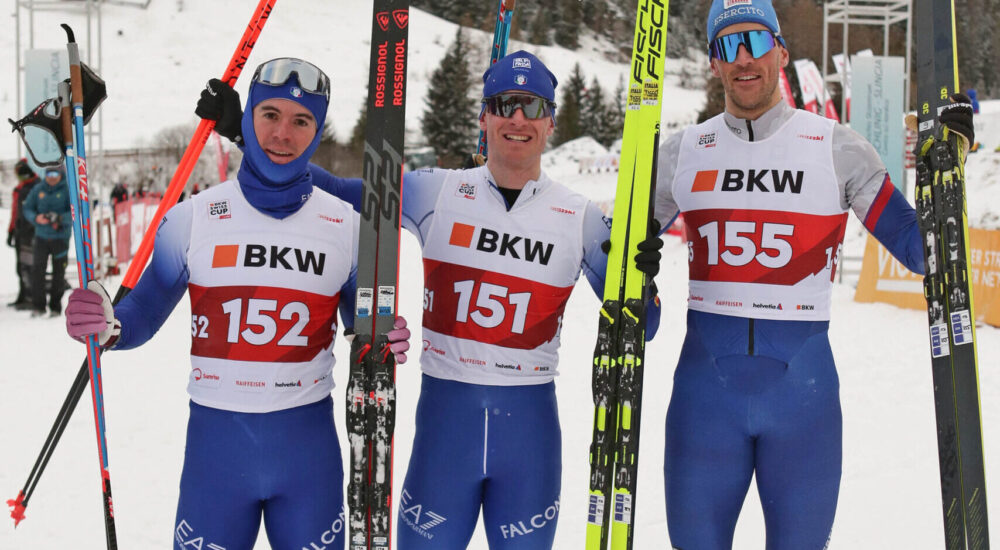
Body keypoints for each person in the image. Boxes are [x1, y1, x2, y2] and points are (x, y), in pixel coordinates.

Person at [196, 48, 664, 549]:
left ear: (551, 122)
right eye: (505, 104)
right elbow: (335, 189)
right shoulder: (437, 193)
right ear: (483, 117)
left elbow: (643, 327)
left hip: (529, 442)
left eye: (533, 106)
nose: (519, 119)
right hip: (445, 439)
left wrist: (643, 278)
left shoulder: (581, 218)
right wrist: (245, 134)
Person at [653, 0, 975, 550]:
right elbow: (617, 263)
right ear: (713, 64)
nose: (744, 58)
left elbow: (924, 250)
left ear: (780, 49)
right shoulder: (680, 154)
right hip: (705, 405)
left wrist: (945, 169)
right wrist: (636, 291)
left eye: (754, 41)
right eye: (728, 47)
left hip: (802, 404)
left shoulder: (836, 148)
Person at [65, 58, 411, 550]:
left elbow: (364, 326)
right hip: (217, 461)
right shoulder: (192, 219)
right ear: (247, 118)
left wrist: (381, 335)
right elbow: (141, 311)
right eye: (269, 114)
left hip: (307, 458)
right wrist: (107, 325)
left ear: (316, 132)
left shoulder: (348, 227)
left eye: (301, 120)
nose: (282, 134)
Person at [23, 163, 73, 317]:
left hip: (60, 238)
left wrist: (59, 218)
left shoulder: (67, 190)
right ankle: (38, 306)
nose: (51, 179)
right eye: (48, 175)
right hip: (41, 237)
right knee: (37, 271)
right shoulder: (38, 190)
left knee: (59, 273)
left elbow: (74, 213)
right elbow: (27, 208)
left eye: (54, 175)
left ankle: (55, 307)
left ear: (60, 175)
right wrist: (36, 217)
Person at [7, 158, 40, 309]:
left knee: (29, 266)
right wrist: (11, 230)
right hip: (21, 233)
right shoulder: (20, 189)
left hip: (32, 233)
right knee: (21, 267)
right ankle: (23, 295)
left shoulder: (36, 187)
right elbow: (15, 212)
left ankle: (30, 297)